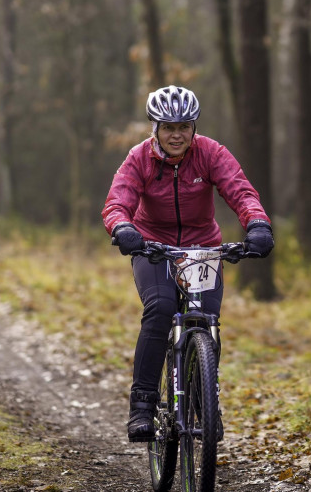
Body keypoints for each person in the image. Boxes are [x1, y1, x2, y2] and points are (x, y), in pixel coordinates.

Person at [102, 85, 274, 442]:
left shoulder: (211, 153)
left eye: (184, 127)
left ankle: (204, 403)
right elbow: (118, 201)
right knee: (161, 307)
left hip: (203, 248)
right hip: (153, 248)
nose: (176, 135)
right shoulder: (139, 159)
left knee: (206, 320)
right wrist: (123, 228)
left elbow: (241, 191)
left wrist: (257, 224)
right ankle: (143, 407)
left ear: (194, 128)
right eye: (168, 127)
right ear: (155, 129)